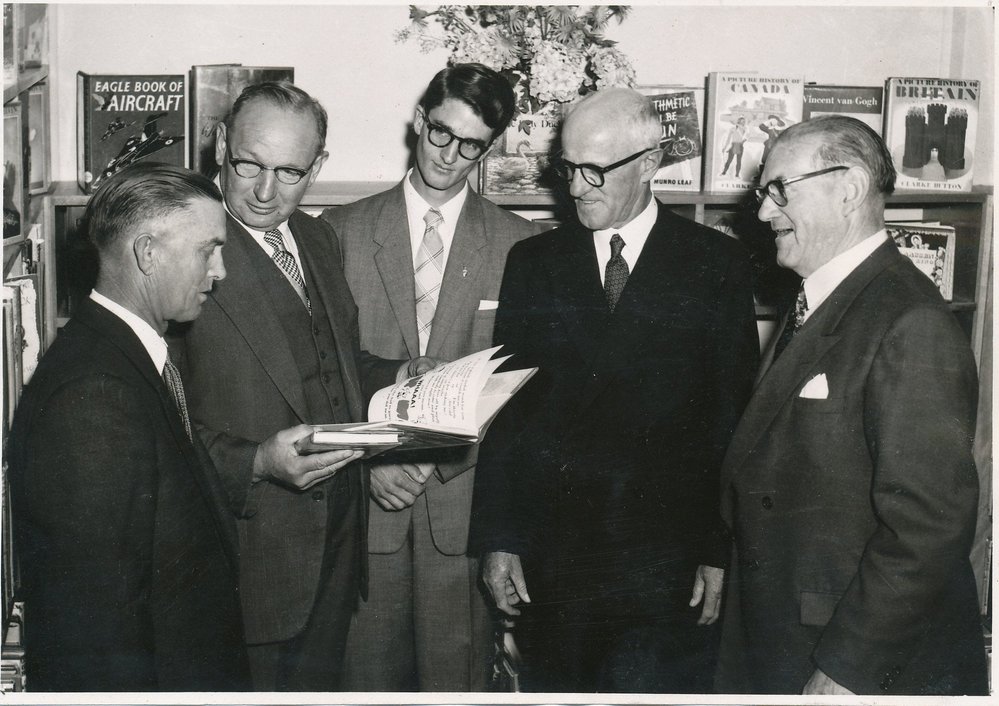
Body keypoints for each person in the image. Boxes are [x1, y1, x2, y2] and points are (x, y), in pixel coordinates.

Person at [469, 87, 760, 693]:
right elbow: (508, 414)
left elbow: (731, 419)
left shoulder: (716, 265)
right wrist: (499, 540)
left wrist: (718, 548)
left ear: (649, 163)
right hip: (556, 563)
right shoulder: (534, 262)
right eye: (568, 168)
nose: (576, 188)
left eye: (595, 171)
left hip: (665, 565)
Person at [715, 115, 988, 696]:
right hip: (791, 628)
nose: (763, 213)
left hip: (850, 654)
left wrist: (846, 668)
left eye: (779, 189)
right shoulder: (822, 299)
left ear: (849, 189)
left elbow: (927, 527)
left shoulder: (908, 320)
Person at [176, 81, 427, 691]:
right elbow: (155, 423)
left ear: (319, 167)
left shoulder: (317, 237)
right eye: (248, 165)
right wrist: (255, 462)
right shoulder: (180, 250)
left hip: (338, 548)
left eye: (290, 172)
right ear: (218, 145)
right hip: (246, 558)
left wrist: (398, 374)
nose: (265, 192)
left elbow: (329, 361)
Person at [320, 63, 541, 691]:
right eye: (441, 133)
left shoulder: (519, 244)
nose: (450, 155)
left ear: (490, 147)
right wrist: (372, 460)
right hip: (366, 510)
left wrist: (432, 461)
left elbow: (522, 386)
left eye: (472, 145)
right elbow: (324, 371)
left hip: (464, 516)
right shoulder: (337, 233)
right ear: (420, 120)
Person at [7, 163, 250, 691]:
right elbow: (98, 637)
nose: (221, 270)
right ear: (147, 253)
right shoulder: (94, 399)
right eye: (208, 249)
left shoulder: (129, 354)